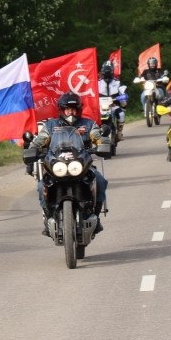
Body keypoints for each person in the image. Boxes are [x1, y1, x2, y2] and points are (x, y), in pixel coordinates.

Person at [27, 91, 108, 236]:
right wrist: (33, 148)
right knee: (41, 186)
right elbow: (41, 139)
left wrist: (103, 143)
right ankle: (48, 217)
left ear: (79, 109)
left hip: (81, 164)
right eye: (67, 109)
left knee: (100, 181)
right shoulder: (51, 126)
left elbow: (97, 137)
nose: (71, 112)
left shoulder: (88, 124)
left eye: (74, 109)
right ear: (61, 110)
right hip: (57, 165)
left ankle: (96, 216)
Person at [99, 60, 128, 141]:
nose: (107, 75)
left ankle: (119, 133)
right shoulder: (97, 82)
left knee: (121, 114)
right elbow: (92, 92)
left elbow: (122, 90)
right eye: (105, 72)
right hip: (101, 106)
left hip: (113, 105)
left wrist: (122, 95)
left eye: (108, 72)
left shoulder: (117, 82)